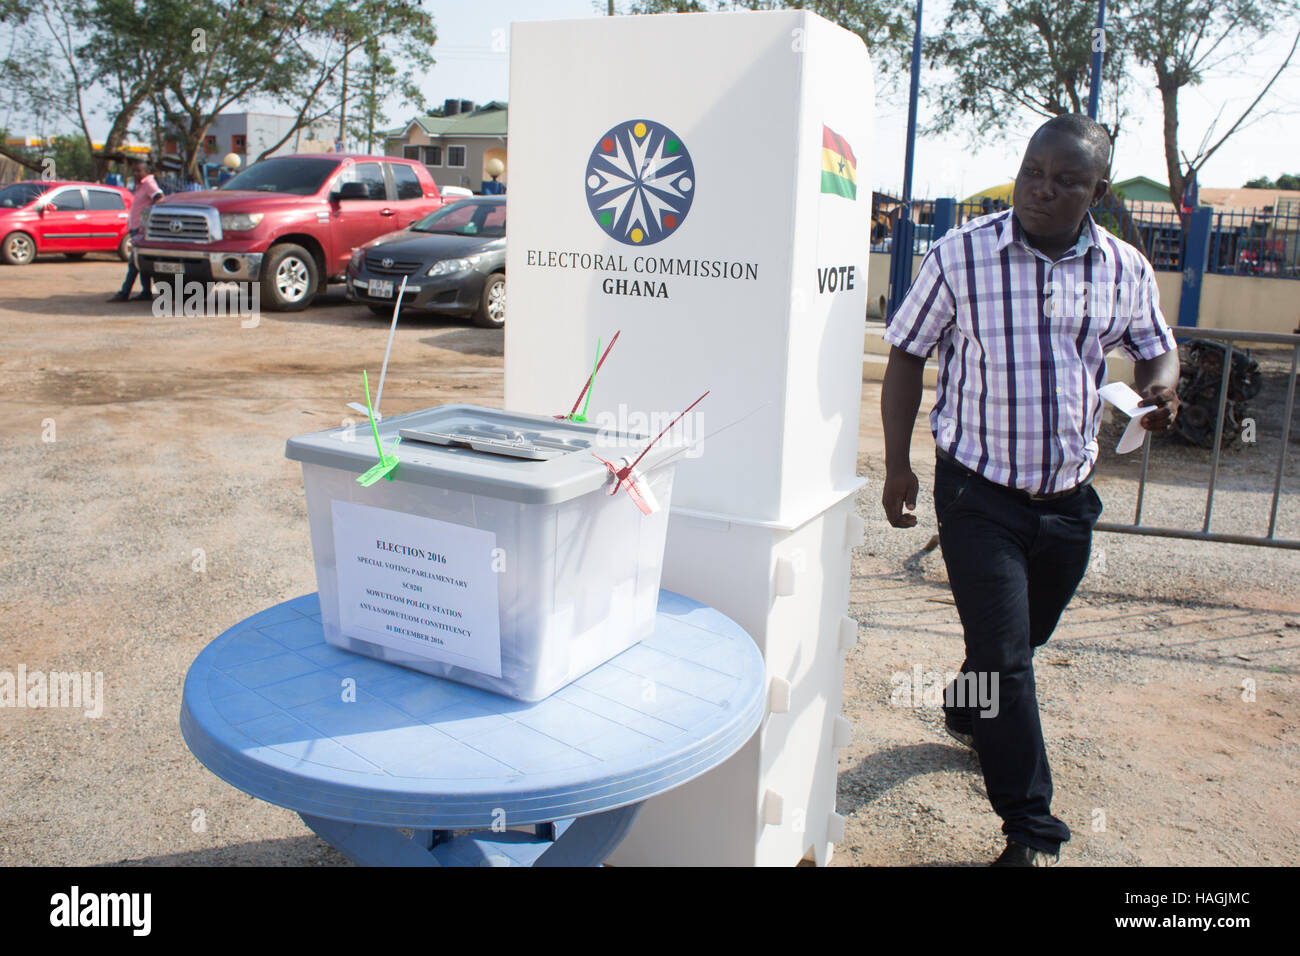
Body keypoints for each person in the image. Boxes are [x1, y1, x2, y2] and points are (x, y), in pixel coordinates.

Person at [879, 114, 1181, 867]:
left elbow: (1156, 351)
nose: (1041, 191)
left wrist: (1161, 392)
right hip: (978, 493)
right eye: (1031, 173)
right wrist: (897, 465)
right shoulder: (961, 257)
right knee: (1008, 660)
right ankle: (1031, 830)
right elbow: (907, 358)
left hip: (1069, 499)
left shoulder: (1122, 269)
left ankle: (963, 705)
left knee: (1016, 644)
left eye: (1065, 181)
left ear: (1097, 192)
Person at [108, 160, 163, 302]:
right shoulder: (140, 185)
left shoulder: (149, 183)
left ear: (146, 171)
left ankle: (124, 293)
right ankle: (145, 292)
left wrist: (149, 214)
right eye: (134, 171)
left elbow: (159, 197)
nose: (136, 173)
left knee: (134, 262)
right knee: (140, 262)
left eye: (139, 171)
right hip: (135, 228)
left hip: (141, 229)